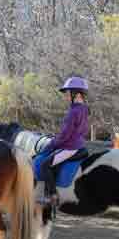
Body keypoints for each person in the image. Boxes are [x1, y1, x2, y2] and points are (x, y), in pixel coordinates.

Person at [38, 76, 90, 205]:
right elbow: (81, 130)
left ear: (76, 94)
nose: (66, 97)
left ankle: (52, 196)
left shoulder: (73, 112)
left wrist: (51, 144)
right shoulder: (84, 109)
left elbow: (64, 136)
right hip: (79, 144)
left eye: (67, 94)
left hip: (71, 148)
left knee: (45, 165)